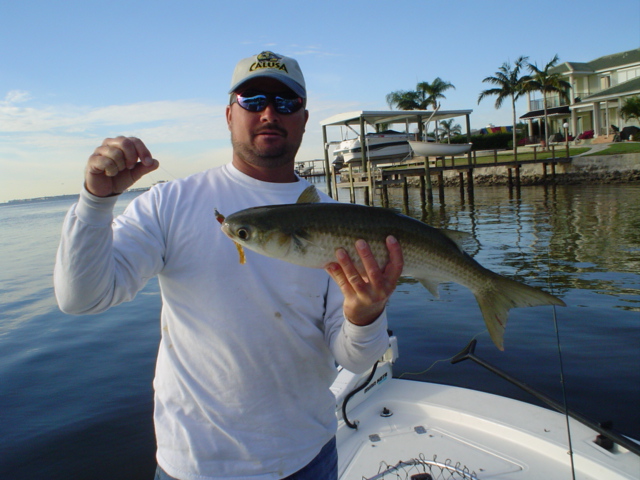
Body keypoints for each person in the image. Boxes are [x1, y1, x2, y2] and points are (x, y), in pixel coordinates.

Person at [54, 51, 403, 480]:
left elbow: (353, 358)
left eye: (286, 102)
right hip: (193, 466)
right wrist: (95, 202)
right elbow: (81, 298)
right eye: (253, 101)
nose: (269, 113)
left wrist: (364, 315)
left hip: (307, 458)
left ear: (305, 118)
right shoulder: (170, 203)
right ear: (229, 114)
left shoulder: (339, 223)